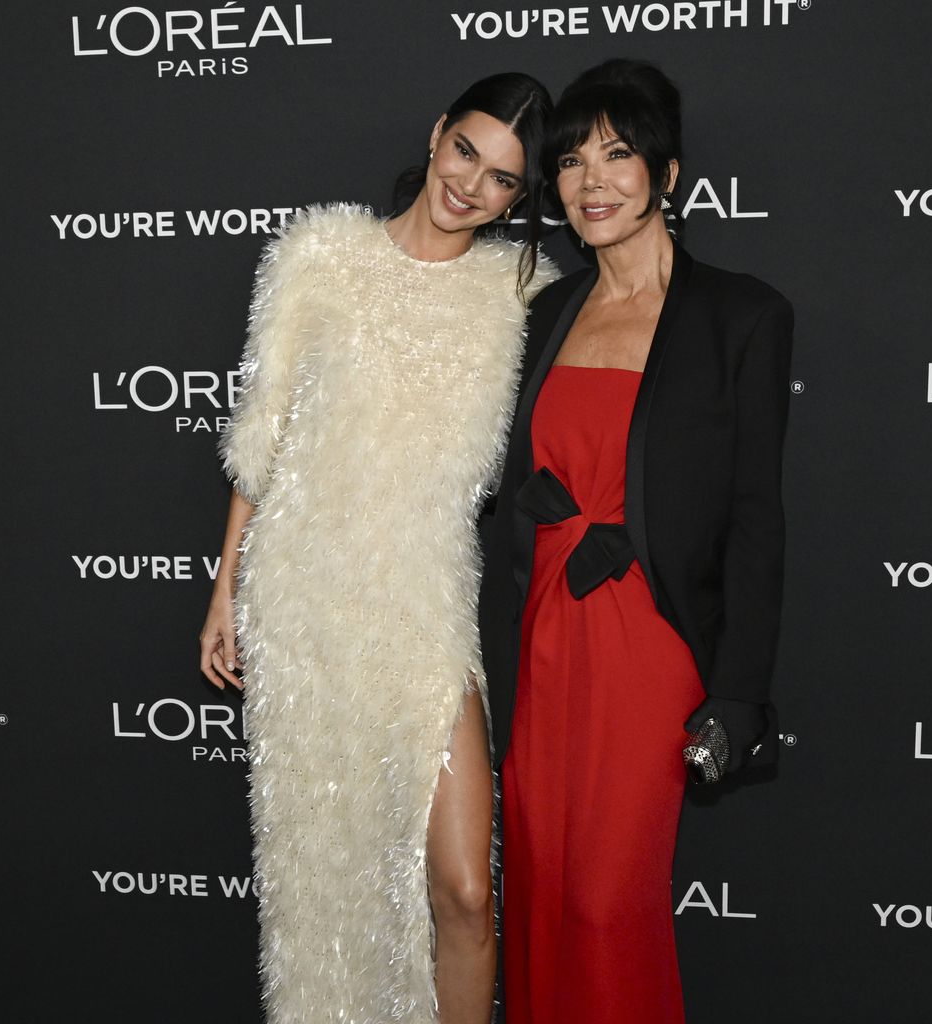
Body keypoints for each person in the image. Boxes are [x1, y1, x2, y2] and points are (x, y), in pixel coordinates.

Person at [198, 73, 555, 1024]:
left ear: (520, 199)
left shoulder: (521, 294)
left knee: (466, 892)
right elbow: (261, 437)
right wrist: (225, 589)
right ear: (438, 134)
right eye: (467, 151)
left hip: (425, 604)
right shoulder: (319, 255)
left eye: (503, 180)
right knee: (327, 878)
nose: (471, 185)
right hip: (304, 600)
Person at [478, 59, 794, 1023]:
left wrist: (739, 693)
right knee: (539, 888)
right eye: (571, 161)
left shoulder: (742, 315)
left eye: (617, 155)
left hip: (650, 636)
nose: (593, 182)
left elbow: (755, 516)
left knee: (606, 901)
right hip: (540, 629)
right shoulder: (544, 312)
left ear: (668, 172)